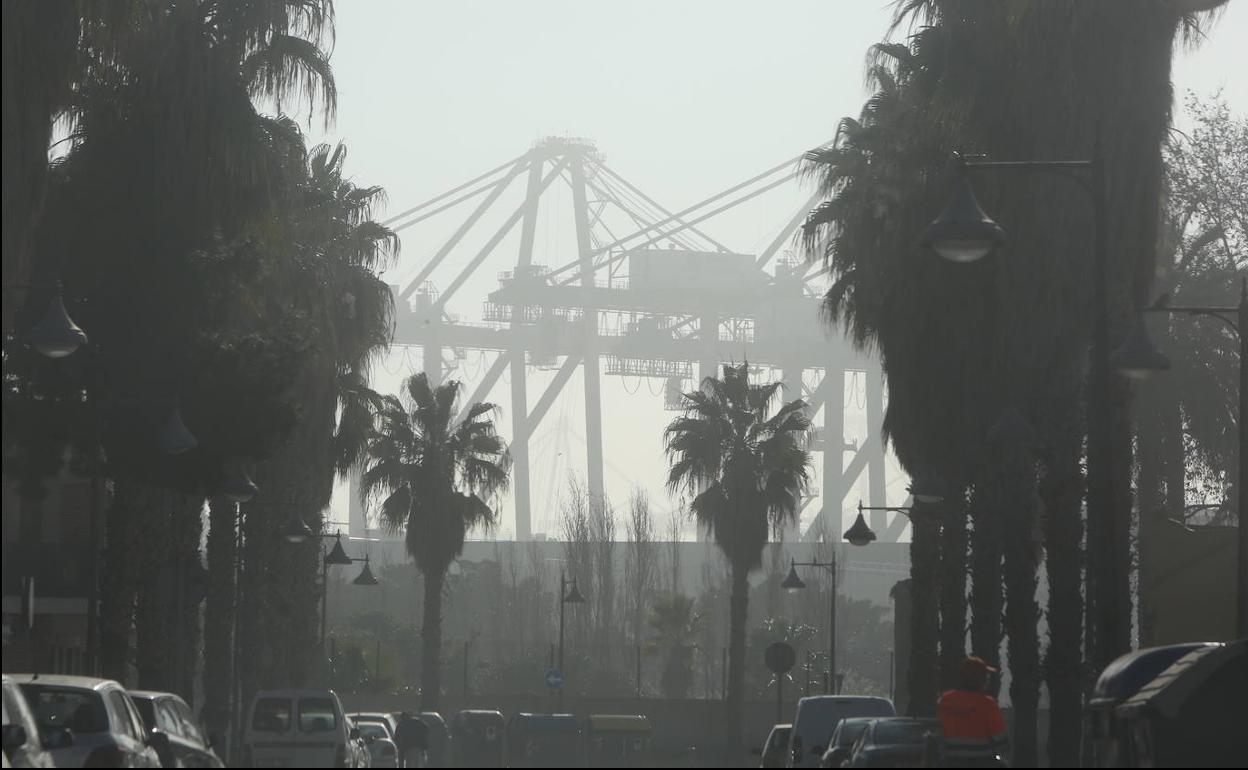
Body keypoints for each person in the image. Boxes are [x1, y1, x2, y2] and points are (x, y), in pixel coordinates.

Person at [937, 656, 1009, 767]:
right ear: (981, 679)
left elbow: (937, 733)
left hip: (951, 762)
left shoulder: (945, 700)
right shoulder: (988, 704)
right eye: (986, 676)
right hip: (983, 762)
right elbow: (1002, 742)